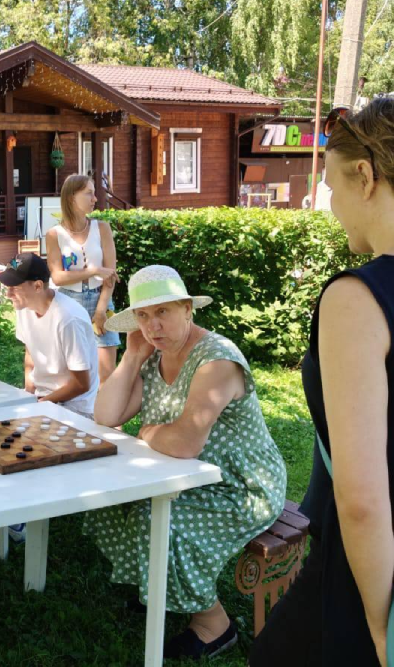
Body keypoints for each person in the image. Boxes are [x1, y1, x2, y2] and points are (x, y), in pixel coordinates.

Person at [250, 95, 394, 666]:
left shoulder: (358, 299)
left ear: (366, 176)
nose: (333, 204)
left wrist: (380, 626)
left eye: (334, 186)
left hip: (381, 578)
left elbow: (362, 499)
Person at [86, 265, 286, 660]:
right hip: (182, 476)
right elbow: (106, 417)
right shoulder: (152, 355)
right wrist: (130, 358)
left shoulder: (217, 360)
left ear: (187, 309)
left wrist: (147, 433)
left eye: (162, 312)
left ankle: (214, 624)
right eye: (143, 316)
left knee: (161, 522)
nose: (152, 326)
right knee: (110, 504)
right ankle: (156, 584)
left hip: (240, 485)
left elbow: (185, 442)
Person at [0, 252, 99, 419]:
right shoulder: (25, 307)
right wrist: (28, 393)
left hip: (75, 406)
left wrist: (41, 403)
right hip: (43, 397)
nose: (8, 295)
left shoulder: (68, 319)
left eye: (14, 287)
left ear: (37, 286)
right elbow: (31, 351)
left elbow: (81, 384)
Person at [47, 174, 120, 381]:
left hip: (102, 301)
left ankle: (103, 414)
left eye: (94, 194)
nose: (95, 199)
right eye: (89, 193)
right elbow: (58, 278)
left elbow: (110, 275)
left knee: (106, 375)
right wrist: (94, 271)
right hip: (69, 302)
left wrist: (100, 310)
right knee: (74, 373)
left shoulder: (102, 228)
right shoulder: (54, 235)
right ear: (71, 197)